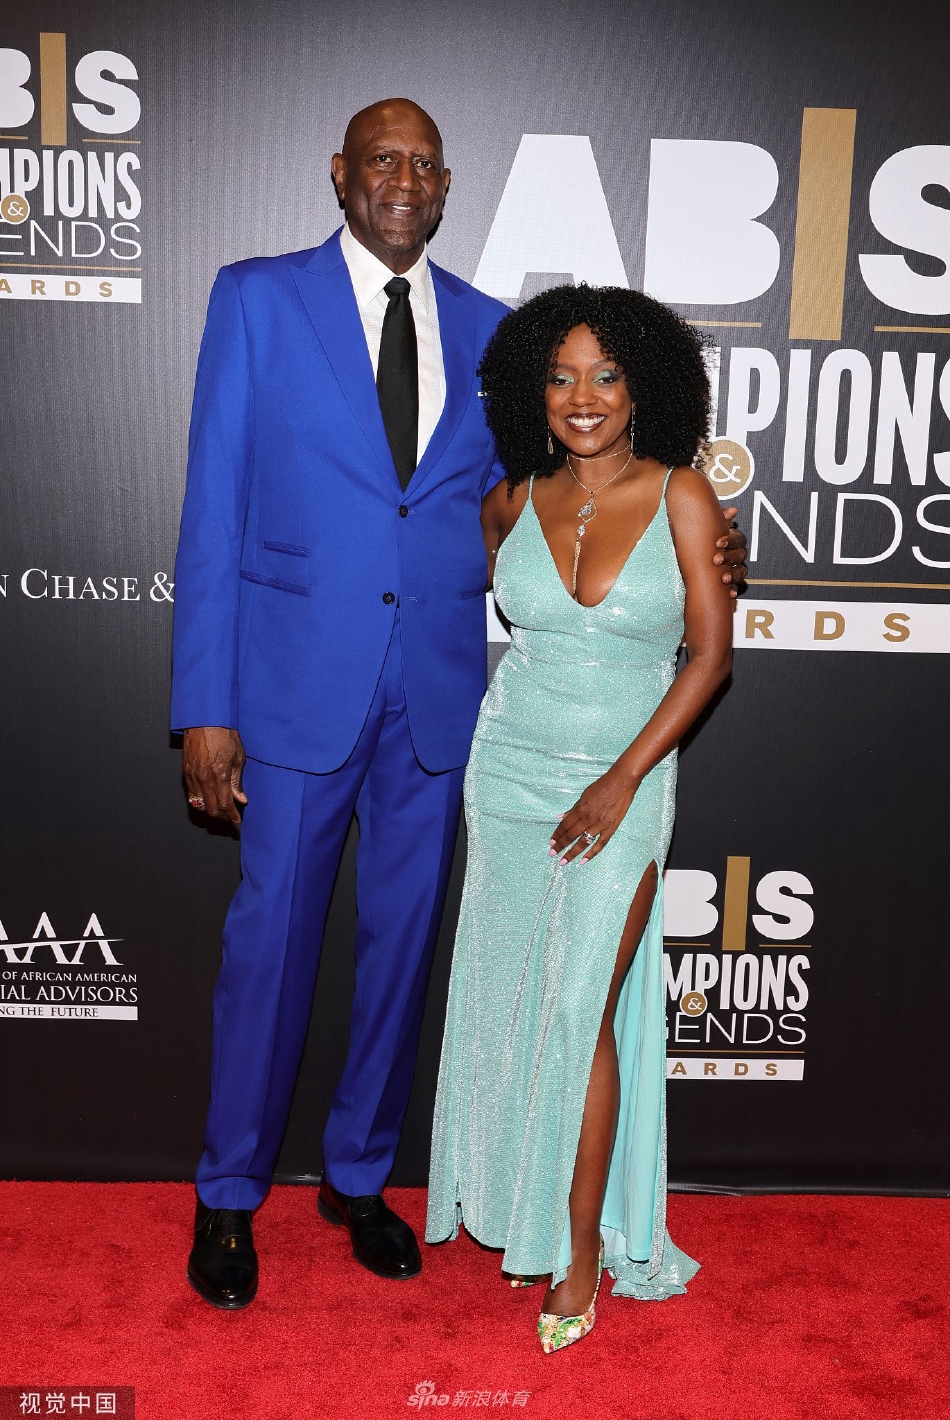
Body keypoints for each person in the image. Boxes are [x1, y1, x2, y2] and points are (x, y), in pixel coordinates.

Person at [172, 99, 748, 1310]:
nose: (403, 178)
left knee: (401, 953)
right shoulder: (256, 299)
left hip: (441, 700)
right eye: (382, 159)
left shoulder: (492, 328)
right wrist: (204, 704)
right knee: (269, 945)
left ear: (444, 188)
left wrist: (699, 543)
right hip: (292, 690)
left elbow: (551, 489)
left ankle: (358, 1176)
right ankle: (228, 1191)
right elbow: (211, 507)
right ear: (340, 173)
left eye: (424, 165)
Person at [425, 285, 733, 1352]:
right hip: (506, 775)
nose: (582, 396)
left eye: (605, 374)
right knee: (504, 1004)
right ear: (532, 391)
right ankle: (518, 1207)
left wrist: (622, 778)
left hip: (624, 785)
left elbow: (709, 658)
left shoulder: (683, 495)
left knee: (576, 1009)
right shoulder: (510, 500)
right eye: (559, 377)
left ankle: (581, 1248)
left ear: (643, 387)